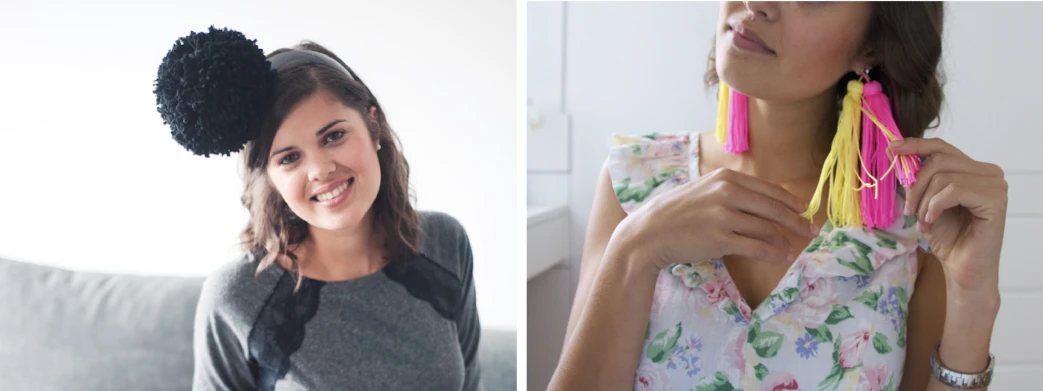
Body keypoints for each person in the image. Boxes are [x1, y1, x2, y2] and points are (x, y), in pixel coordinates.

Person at [551, 2, 1006, 390]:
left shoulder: (915, 224)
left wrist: (974, 294)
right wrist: (637, 247)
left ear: (873, 45)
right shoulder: (633, 181)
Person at [153, 27, 481, 390]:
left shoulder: (445, 243)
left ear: (373, 126)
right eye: (290, 157)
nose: (321, 170)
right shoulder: (236, 296)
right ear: (270, 178)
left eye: (334, 136)